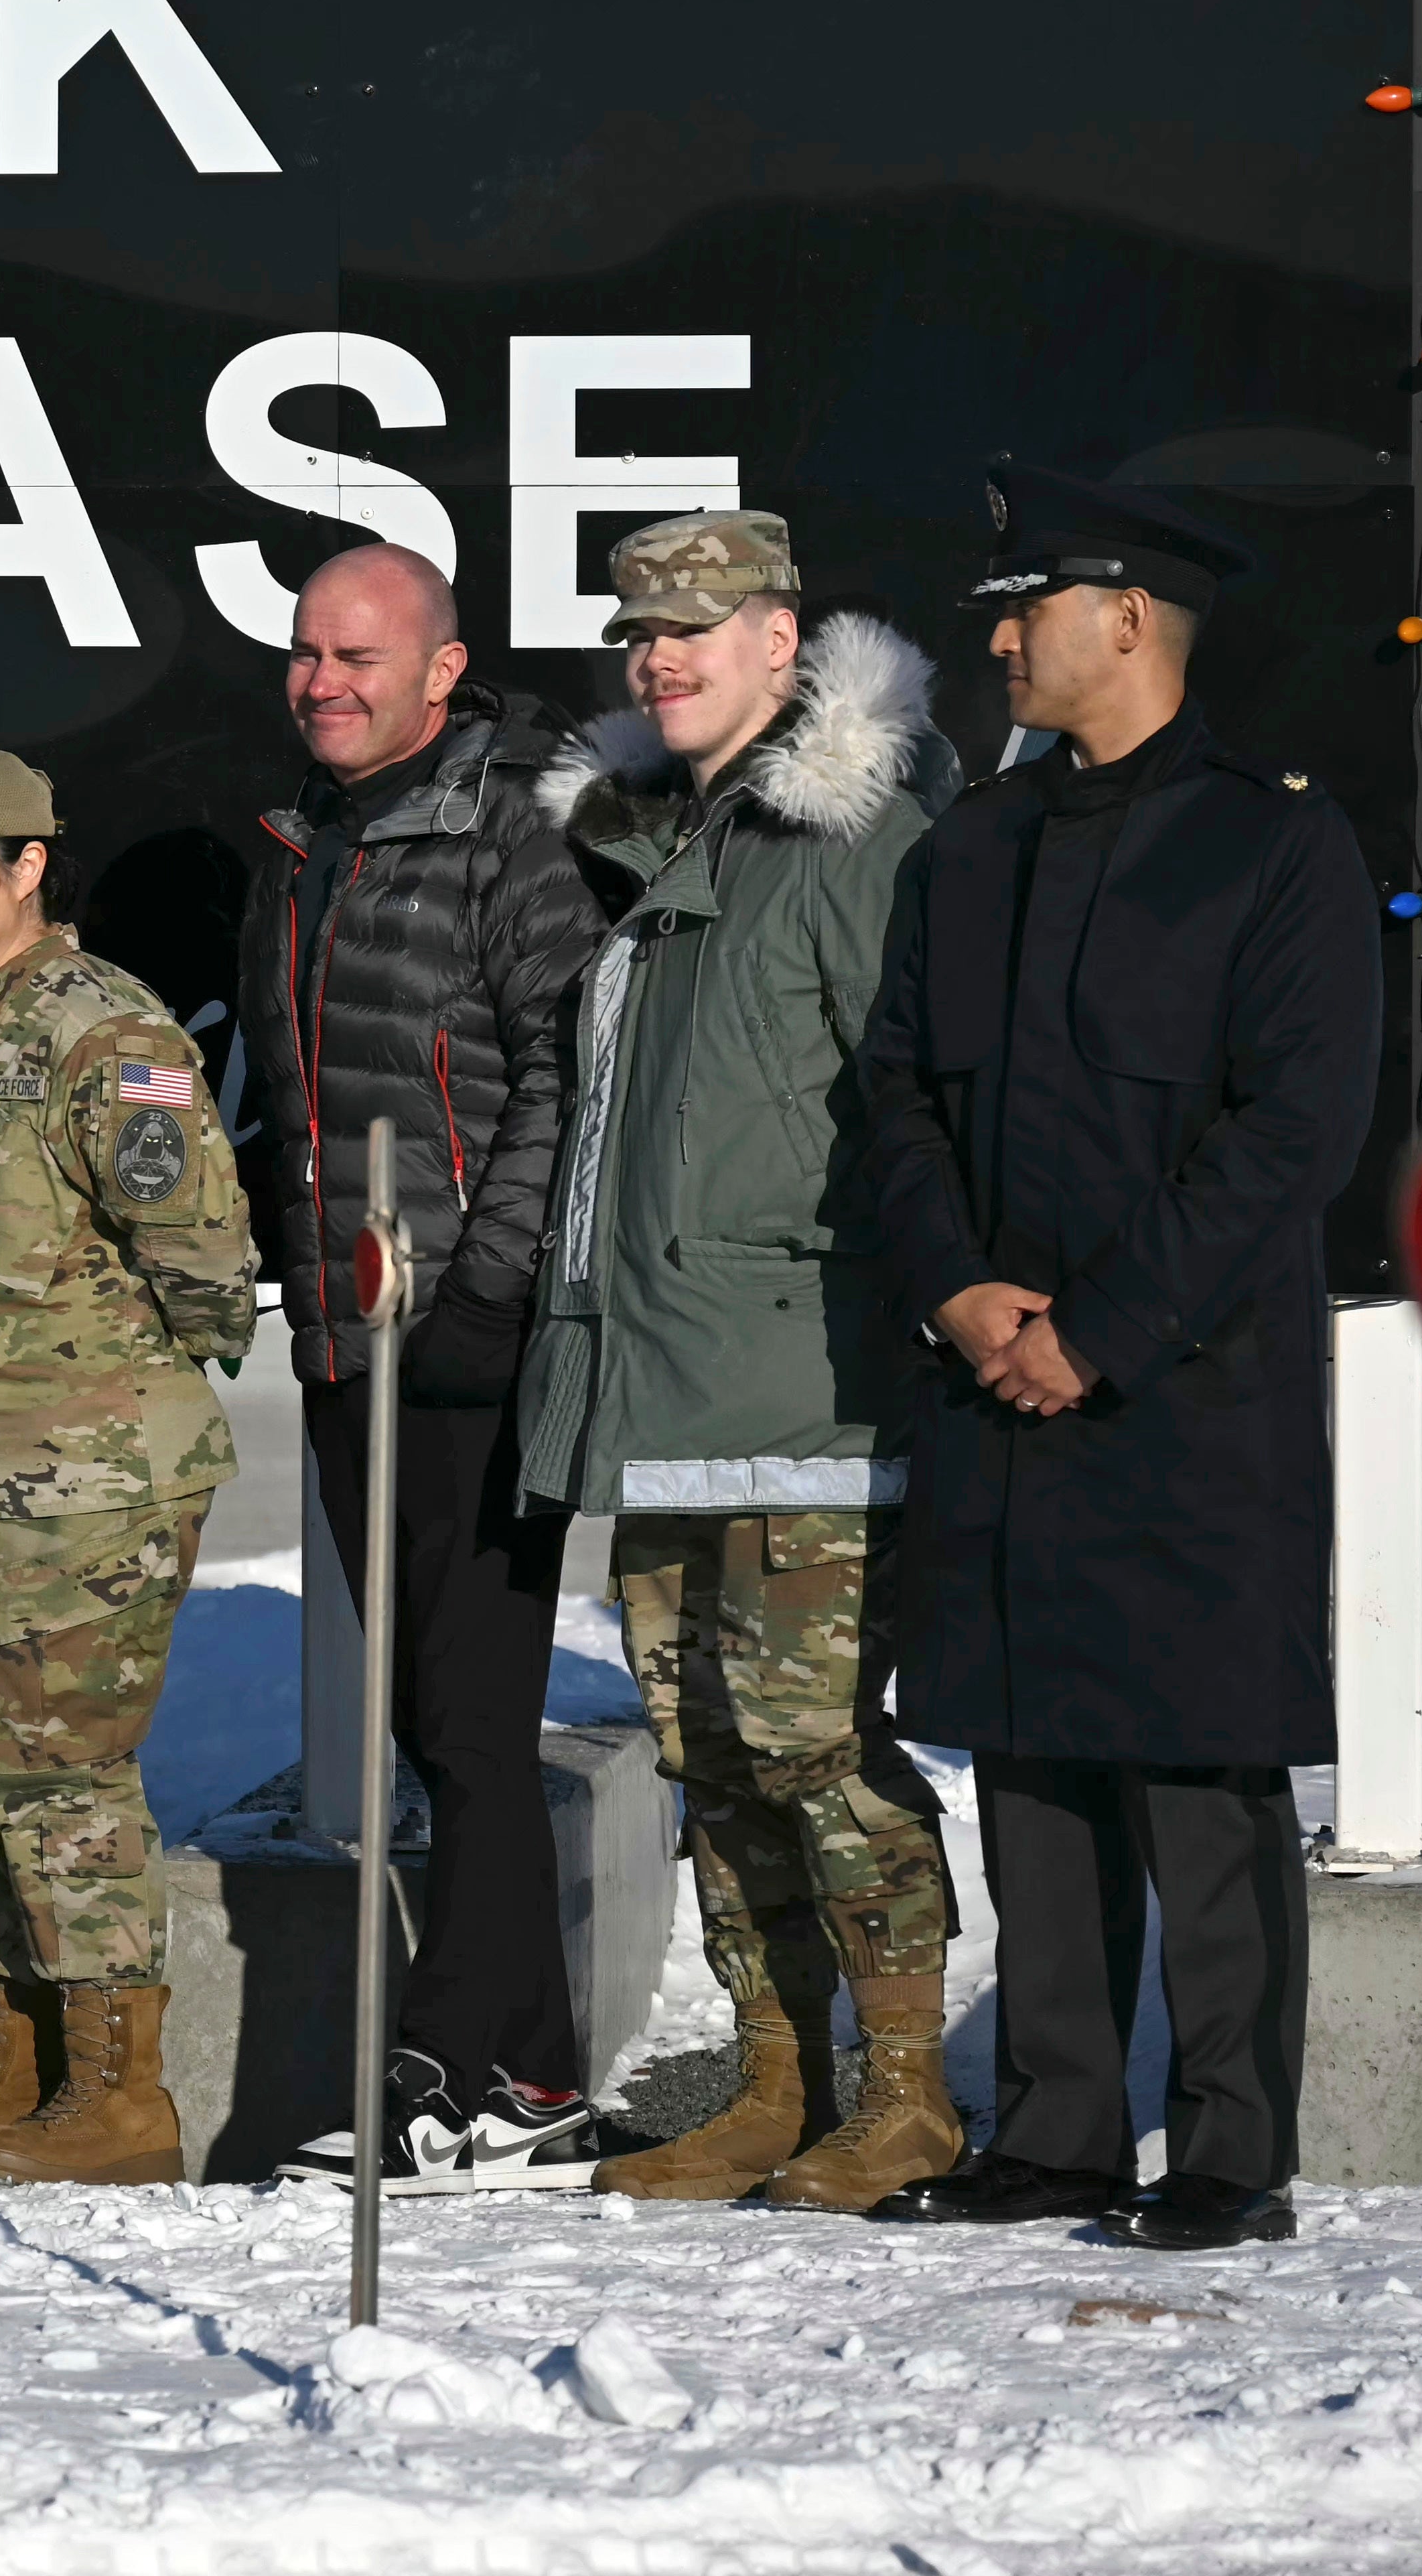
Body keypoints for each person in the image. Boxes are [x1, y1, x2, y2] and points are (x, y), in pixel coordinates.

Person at [861, 464, 1380, 2256]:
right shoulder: (974, 849)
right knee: (1031, 1759)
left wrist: (1099, 1329)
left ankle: (1231, 2147)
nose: (998, 640)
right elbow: (903, 1098)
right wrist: (961, 1298)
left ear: (1130, 619)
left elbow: (1293, 1129)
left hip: (1188, 1394)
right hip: (1003, 1386)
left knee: (1198, 1772)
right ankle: (1061, 2130)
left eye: (1029, 609)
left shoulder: (1276, 841)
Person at [509, 515, 966, 2215]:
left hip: (801, 1386)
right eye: (638, 631)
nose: (659, 655)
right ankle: (778, 2083)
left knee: (817, 1752)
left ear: (787, 641)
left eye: (696, 626)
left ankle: (904, 2091)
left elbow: (919, 1115)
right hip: (658, 1382)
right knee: (706, 1754)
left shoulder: (857, 845)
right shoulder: (655, 841)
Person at [235, 541, 610, 2188]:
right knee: (437, 1716)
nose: (325, 678)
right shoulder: (307, 840)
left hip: (465, 1341)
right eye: (308, 651)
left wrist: (488, 1298)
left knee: (470, 1710)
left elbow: (564, 1073)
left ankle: (456, 2062)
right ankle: (524, 2074)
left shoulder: (513, 830)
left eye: (361, 654)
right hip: (347, 1342)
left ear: (444, 670)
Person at [0, 746, 261, 2189]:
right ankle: (10, 2070)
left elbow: (202, 1260)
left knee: (57, 1779)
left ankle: (117, 2092)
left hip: (81, 1487)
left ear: (28, 866)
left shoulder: (103, 1032)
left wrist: (86, 1395)